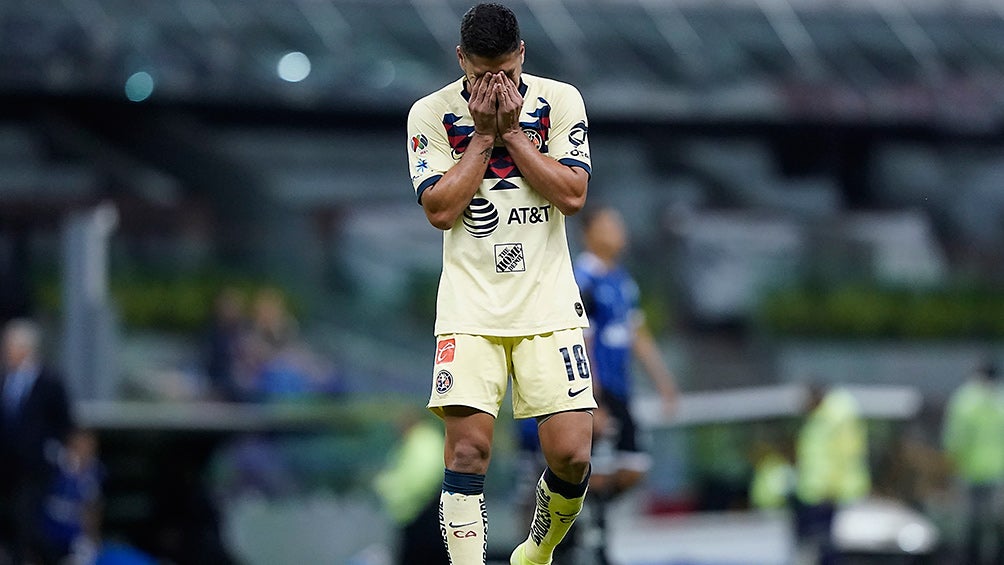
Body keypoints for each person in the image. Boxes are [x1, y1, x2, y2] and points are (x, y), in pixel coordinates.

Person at [406, 3, 595, 564]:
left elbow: (573, 195)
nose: (495, 86)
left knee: (572, 456)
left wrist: (513, 133)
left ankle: (536, 551)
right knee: (467, 453)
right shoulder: (430, 113)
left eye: (507, 73)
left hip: (548, 303)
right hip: (470, 309)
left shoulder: (560, 101)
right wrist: (483, 138)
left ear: (522, 55)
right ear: (460, 59)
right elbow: (440, 210)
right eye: (481, 74)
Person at [0, 318, 74, 565]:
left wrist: (51, 450)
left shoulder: (50, 381)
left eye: (10, 347)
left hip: (35, 467)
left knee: (28, 522)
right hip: (7, 468)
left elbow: (64, 420)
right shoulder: (5, 380)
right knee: (12, 524)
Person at [792, 382, 870, 565]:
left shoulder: (837, 416)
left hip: (831, 495)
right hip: (819, 494)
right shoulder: (822, 416)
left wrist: (831, 489)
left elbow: (844, 455)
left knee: (830, 549)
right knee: (821, 547)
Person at [942, 359, 1004, 565]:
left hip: (969, 471)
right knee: (995, 524)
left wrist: (952, 465)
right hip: (998, 472)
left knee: (969, 525)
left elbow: (954, 440)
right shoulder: (1000, 400)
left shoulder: (965, 400)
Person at [373, 410, 450, 565]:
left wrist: (388, 490)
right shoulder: (421, 441)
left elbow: (422, 478)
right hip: (421, 513)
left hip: (422, 513)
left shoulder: (423, 441)